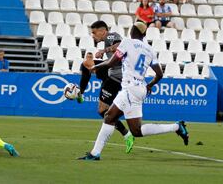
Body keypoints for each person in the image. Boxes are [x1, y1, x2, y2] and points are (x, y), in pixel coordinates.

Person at [78, 22, 189, 161]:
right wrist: (150, 85)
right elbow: (159, 74)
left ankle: (95, 154)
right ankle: (176, 127)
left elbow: (111, 62)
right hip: (139, 88)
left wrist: (95, 67)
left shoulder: (127, 42)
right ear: (143, 34)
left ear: (131, 31)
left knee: (121, 123)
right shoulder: (149, 50)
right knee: (121, 123)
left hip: (130, 89)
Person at [78, 21, 135, 154]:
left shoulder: (110, 36)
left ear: (102, 31)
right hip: (111, 71)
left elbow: (121, 44)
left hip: (116, 76)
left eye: (94, 32)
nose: (92, 35)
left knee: (103, 111)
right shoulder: (107, 40)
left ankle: (127, 135)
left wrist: (105, 50)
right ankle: (80, 93)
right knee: (86, 65)